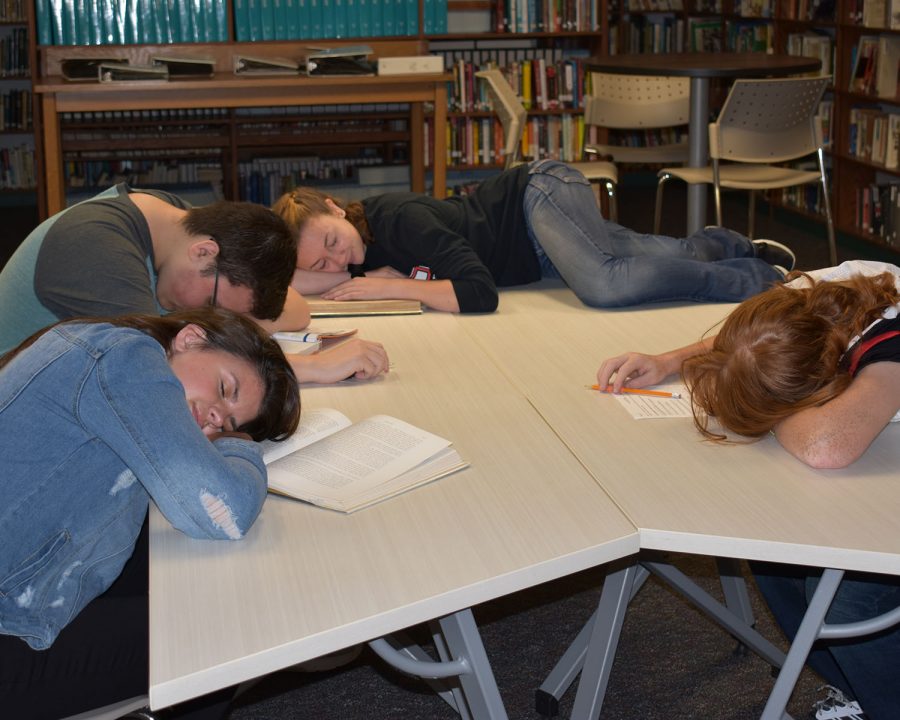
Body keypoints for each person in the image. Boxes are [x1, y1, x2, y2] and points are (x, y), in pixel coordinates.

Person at [596, 259, 900, 718]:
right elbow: (753, 341)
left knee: (846, 597)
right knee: (777, 551)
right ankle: (857, 690)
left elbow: (826, 447)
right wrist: (669, 360)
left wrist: (764, 409)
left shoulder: (890, 345)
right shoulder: (810, 295)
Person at [0, 307, 301, 719]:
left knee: (207, 581)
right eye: (223, 388)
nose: (215, 416)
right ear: (190, 338)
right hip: (9, 627)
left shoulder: (108, 351)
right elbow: (223, 510)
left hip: (27, 578)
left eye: (227, 421)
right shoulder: (126, 358)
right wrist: (240, 444)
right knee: (223, 632)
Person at [272, 159, 794, 314]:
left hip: (537, 194)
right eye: (322, 264)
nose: (338, 264)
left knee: (605, 284)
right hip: (537, 253)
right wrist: (308, 269)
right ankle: (723, 243)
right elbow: (292, 285)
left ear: (338, 207)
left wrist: (394, 285)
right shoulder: (351, 253)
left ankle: (750, 279)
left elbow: (480, 293)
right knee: (647, 253)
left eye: (333, 243)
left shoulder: (400, 220)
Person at [0, 183, 389, 383]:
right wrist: (312, 367)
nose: (210, 319)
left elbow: (296, 310)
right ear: (204, 253)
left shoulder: (176, 224)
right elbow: (170, 377)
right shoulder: (97, 253)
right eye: (213, 305)